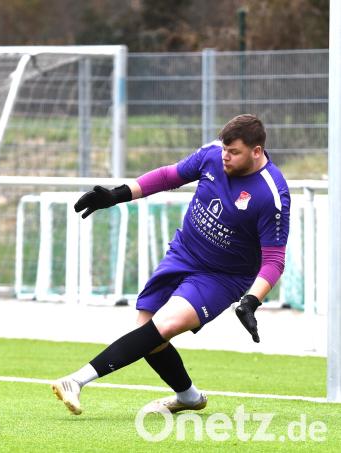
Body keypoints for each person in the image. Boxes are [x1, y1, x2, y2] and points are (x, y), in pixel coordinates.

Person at [52, 114, 290, 415]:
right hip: (183, 254)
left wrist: (251, 300)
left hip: (221, 276)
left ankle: (77, 380)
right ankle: (189, 397)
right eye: (225, 150)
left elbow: (274, 259)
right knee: (146, 336)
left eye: (234, 152)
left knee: (164, 325)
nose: (225, 157)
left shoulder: (271, 194)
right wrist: (116, 195)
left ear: (256, 152)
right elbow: (168, 176)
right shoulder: (212, 155)